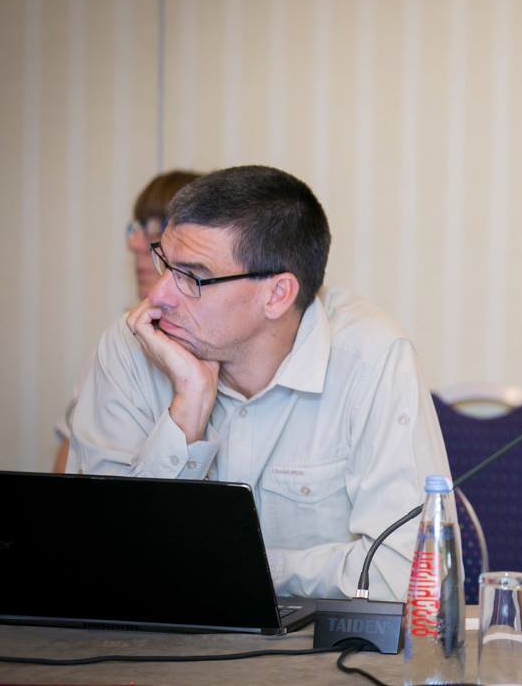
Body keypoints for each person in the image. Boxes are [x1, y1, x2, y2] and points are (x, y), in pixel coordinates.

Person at [66, 165, 451, 601]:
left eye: (192, 276)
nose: (157, 296)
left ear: (277, 295)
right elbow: (98, 559)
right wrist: (187, 409)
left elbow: (411, 574)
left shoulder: (370, 359)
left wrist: (245, 567)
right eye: (164, 263)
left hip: (315, 644)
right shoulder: (132, 345)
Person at [52, 170, 201, 473]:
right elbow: (69, 462)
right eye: (138, 227)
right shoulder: (119, 341)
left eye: (156, 227)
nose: (134, 243)